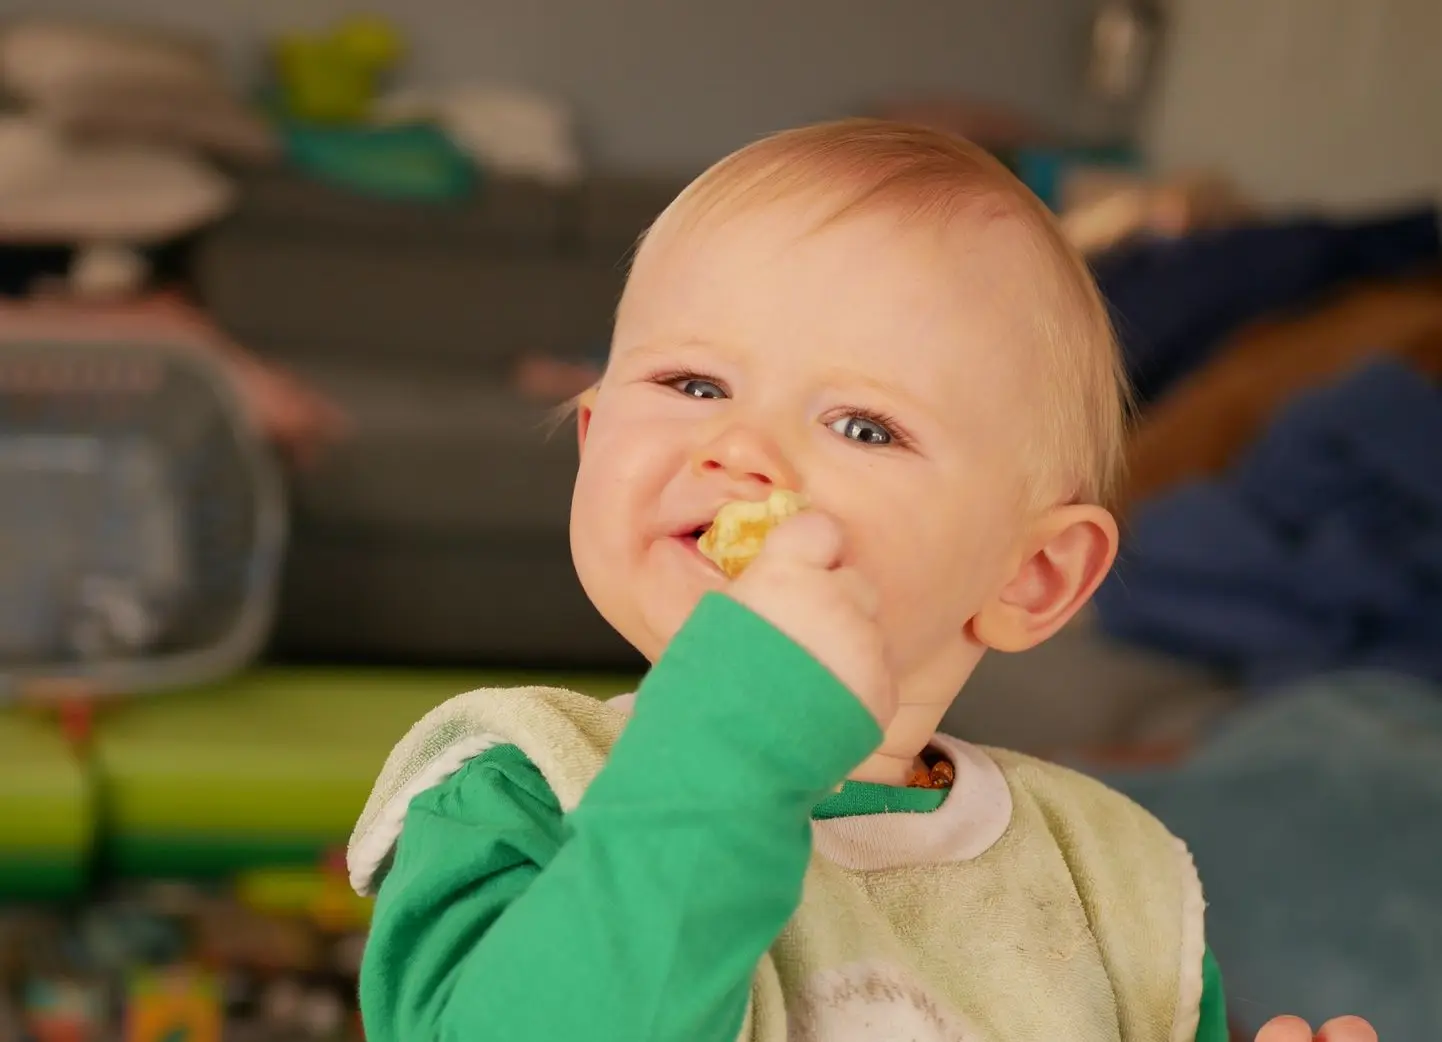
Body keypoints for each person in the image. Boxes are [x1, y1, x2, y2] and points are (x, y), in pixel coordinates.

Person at [346, 120, 1378, 1042]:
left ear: (1029, 575)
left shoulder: (1106, 880)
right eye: (691, 383)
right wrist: (731, 741)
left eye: (861, 426)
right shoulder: (519, 790)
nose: (738, 445)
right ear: (592, 437)